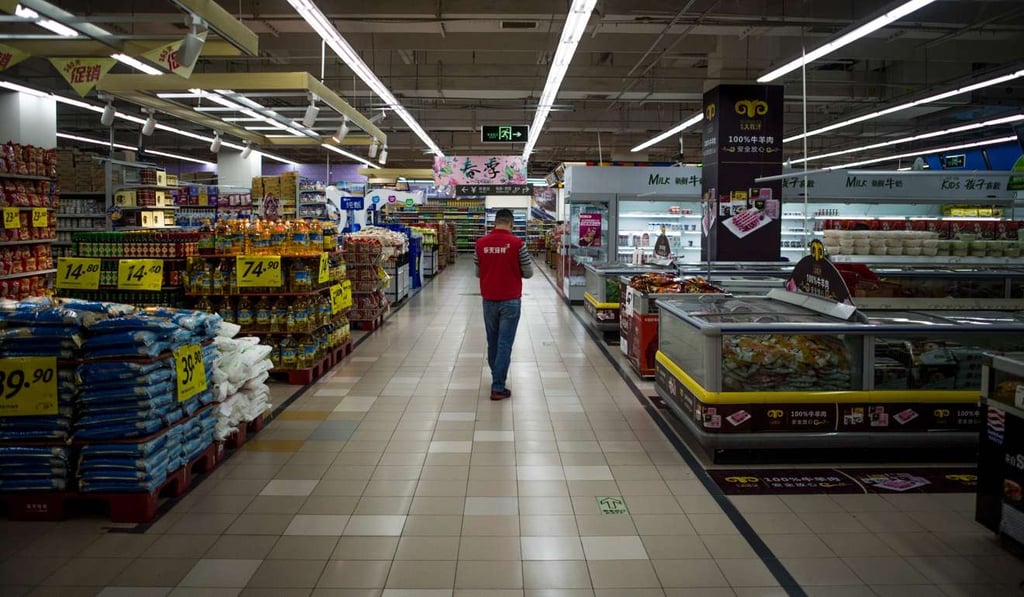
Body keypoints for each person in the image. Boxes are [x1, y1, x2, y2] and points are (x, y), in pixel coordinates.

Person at [474, 208, 533, 400]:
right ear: (511, 223)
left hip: (489, 298)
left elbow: (477, 272)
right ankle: (498, 386)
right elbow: (529, 272)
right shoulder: (518, 244)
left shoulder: (480, 244)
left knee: (493, 341)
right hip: (511, 299)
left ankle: (496, 377)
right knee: (505, 342)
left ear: (495, 222)